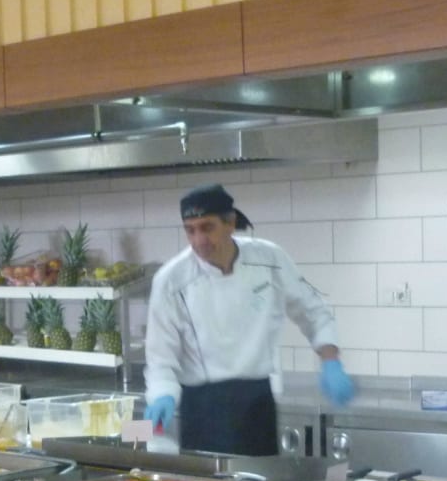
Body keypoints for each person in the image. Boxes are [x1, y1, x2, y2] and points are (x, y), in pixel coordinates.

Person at [144, 183, 354, 455]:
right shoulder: (171, 280)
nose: (198, 240)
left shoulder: (269, 258)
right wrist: (162, 394)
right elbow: (160, 357)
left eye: (207, 228)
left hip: (258, 402)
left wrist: (330, 360)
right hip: (203, 408)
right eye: (190, 230)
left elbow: (312, 309)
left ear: (230, 223)